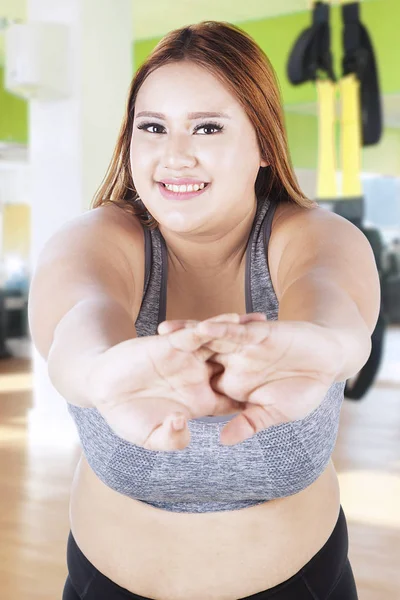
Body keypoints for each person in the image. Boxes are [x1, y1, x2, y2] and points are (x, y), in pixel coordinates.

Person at [28, 20, 380, 600]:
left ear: (265, 144)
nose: (175, 156)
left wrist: (328, 351)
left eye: (208, 127)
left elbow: (334, 311)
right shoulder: (93, 241)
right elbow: (78, 329)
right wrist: (102, 376)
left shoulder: (318, 237)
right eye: (152, 127)